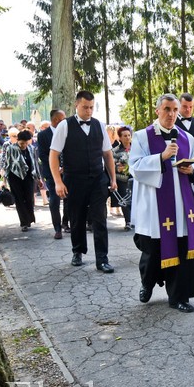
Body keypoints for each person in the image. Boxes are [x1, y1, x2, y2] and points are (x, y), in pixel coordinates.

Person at [129, 94, 194, 311]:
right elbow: (134, 167)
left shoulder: (186, 138)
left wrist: (193, 170)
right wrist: (161, 157)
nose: (171, 114)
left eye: (175, 109)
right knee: (154, 252)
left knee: (182, 250)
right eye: (167, 109)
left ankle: (179, 297)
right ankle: (147, 283)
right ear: (157, 110)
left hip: (181, 207)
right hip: (154, 209)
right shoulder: (142, 137)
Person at [49, 91, 117, 274]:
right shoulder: (65, 126)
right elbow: (53, 155)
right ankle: (77, 251)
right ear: (76, 105)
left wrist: (113, 178)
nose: (89, 111)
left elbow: (107, 154)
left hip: (97, 179)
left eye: (91, 107)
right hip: (74, 179)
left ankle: (102, 259)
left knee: (100, 219)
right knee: (76, 218)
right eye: (85, 107)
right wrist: (58, 182)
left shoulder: (99, 126)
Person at [1, 130, 43, 231]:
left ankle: (29, 218)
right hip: (14, 176)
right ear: (17, 141)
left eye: (25, 143)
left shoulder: (31, 149)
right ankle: (24, 222)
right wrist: (4, 180)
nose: (23, 145)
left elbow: (35, 163)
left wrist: (39, 178)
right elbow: (7, 164)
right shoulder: (11, 149)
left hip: (28, 177)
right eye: (21, 143)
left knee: (29, 198)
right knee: (19, 200)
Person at [38, 109, 69, 240]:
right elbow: (43, 155)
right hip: (51, 173)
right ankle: (57, 228)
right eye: (63, 119)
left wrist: (65, 167)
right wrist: (57, 167)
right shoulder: (43, 135)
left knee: (69, 199)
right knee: (54, 201)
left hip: (67, 172)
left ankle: (65, 223)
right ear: (56, 120)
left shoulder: (68, 132)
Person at [112, 126, 133, 231]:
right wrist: (117, 167)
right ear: (120, 137)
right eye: (125, 136)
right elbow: (111, 164)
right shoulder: (115, 150)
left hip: (135, 178)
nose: (127, 138)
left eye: (129, 135)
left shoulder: (136, 148)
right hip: (122, 179)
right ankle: (128, 221)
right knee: (125, 199)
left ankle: (136, 220)